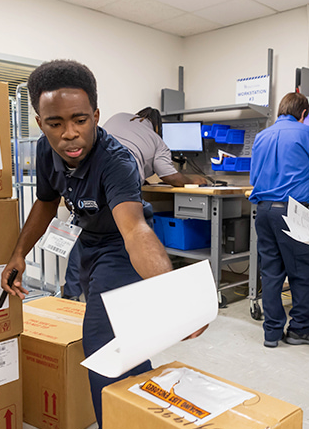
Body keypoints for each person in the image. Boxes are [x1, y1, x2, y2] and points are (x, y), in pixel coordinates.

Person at [0, 60, 205, 429]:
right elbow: (45, 203)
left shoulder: (115, 162)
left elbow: (136, 231)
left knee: (105, 340)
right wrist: (19, 253)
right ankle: (147, 425)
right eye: (55, 123)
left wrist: (174, 298)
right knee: (127, 344)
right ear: (40, 123)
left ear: (96, 113)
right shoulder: (45, 149)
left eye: (79, 120)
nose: (69, 134)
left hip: (119, 244)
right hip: (86, 241)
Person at [62, 107, 206, 299]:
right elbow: (171, 176)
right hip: (117, 184)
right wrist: (194, 180)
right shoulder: (156, 140)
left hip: (83, 181)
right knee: (137, 230)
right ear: (157, 127)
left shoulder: (118, 116)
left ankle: (70, 296)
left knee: (83, 236)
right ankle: (139, 293)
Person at [249, 92, 309, 348]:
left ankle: (272, 333)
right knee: (303, 271)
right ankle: (299, 329)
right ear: (304, 113)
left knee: (272, 272)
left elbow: (254, 179)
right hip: (292, 210)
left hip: (263, 210)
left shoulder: (262, 136)